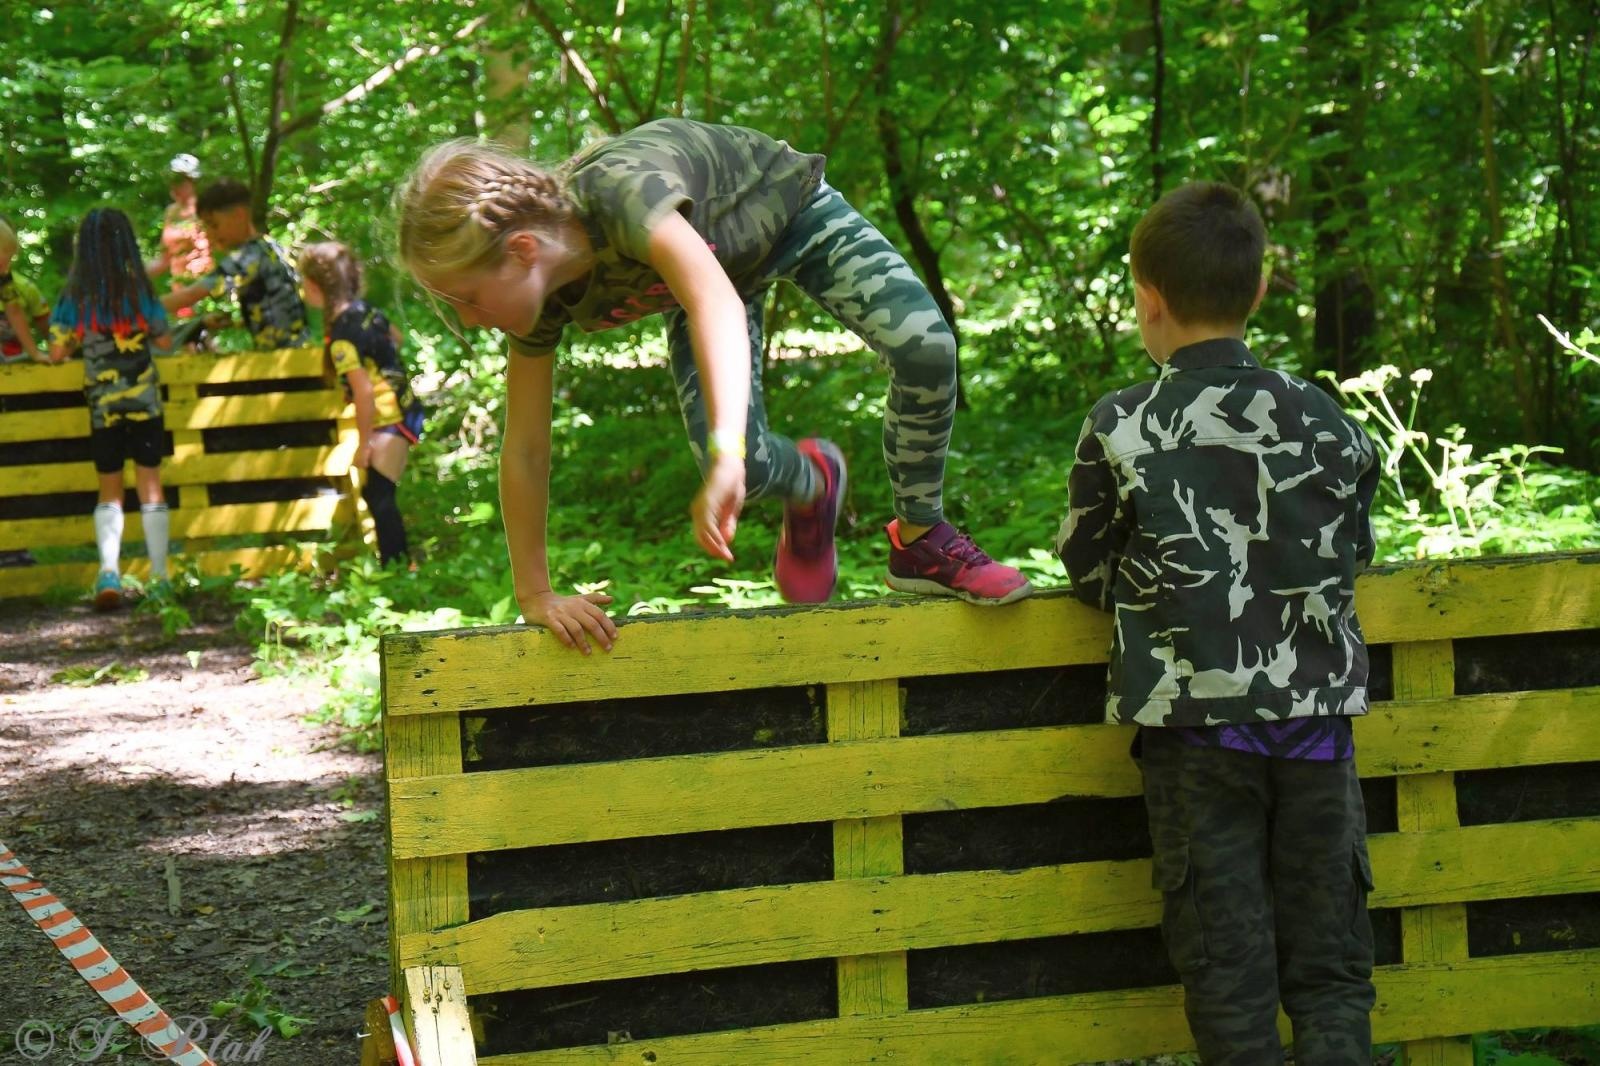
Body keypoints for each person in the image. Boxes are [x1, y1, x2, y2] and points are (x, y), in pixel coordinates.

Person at [394, 117, 1031, 653]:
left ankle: (923, 536)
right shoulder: (540, 308)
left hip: (786, 211)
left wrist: (722, 452)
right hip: (706, 280)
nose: (470, 321)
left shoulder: (621, 196)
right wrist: (535, 593)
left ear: (524, 250)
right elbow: (526, 447)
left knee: (926, 347)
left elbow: (714, 302)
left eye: (469, 300)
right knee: (744, 466)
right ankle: (812, 483)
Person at [1057, 181, 1380, 1065]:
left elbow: (1087, 573)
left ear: (1146, 298)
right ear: (1261, 291)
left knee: (1229, 979)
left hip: (1197, 740)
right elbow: (1354, 551)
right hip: (1318, 735)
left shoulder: (1120, 424)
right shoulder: (1326, 419)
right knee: (1332, 972)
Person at [45, 208, 176, 609]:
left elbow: (56, 350)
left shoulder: (75, 295)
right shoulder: (139, 290)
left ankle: (109, 573)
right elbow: (166, 341)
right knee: (150, 484)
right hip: (145, 404)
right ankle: (160, 576)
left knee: (110, 489)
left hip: (103, 408)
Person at [299, 241, 425, 566]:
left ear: (315, 287)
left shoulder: (342, 337)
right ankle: (398, 566)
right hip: (404, 407)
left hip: (391, 416)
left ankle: (399, 569)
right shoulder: (364, 310)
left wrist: (364, 444)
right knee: (378, 493)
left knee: (380, 495)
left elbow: (364, 394)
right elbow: (396, 337)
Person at [161, 179, 309, 350]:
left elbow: (190, 295)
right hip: (297, 350)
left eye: (214, 225)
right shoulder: (269, 246)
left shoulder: (246, 257)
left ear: (240, 215)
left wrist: (141, 310)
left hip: (288, 360)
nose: (210, 234)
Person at [144, 153, 213, 332]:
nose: (174, 185)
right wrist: (134, 275)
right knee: (188, 342)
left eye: (180, 180)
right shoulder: (171, 212)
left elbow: (217, 251)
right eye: (172, 180)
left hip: (203, 289)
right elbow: (164, 259)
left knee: (201, 339)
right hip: (180, 291)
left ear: (192, 181)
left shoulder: (206, 209)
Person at [0, 215, 47, 365]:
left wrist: (35, 353)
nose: (6, 270)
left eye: (9, 262)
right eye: (1, 265)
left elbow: (14, 311)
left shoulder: (5, 278)